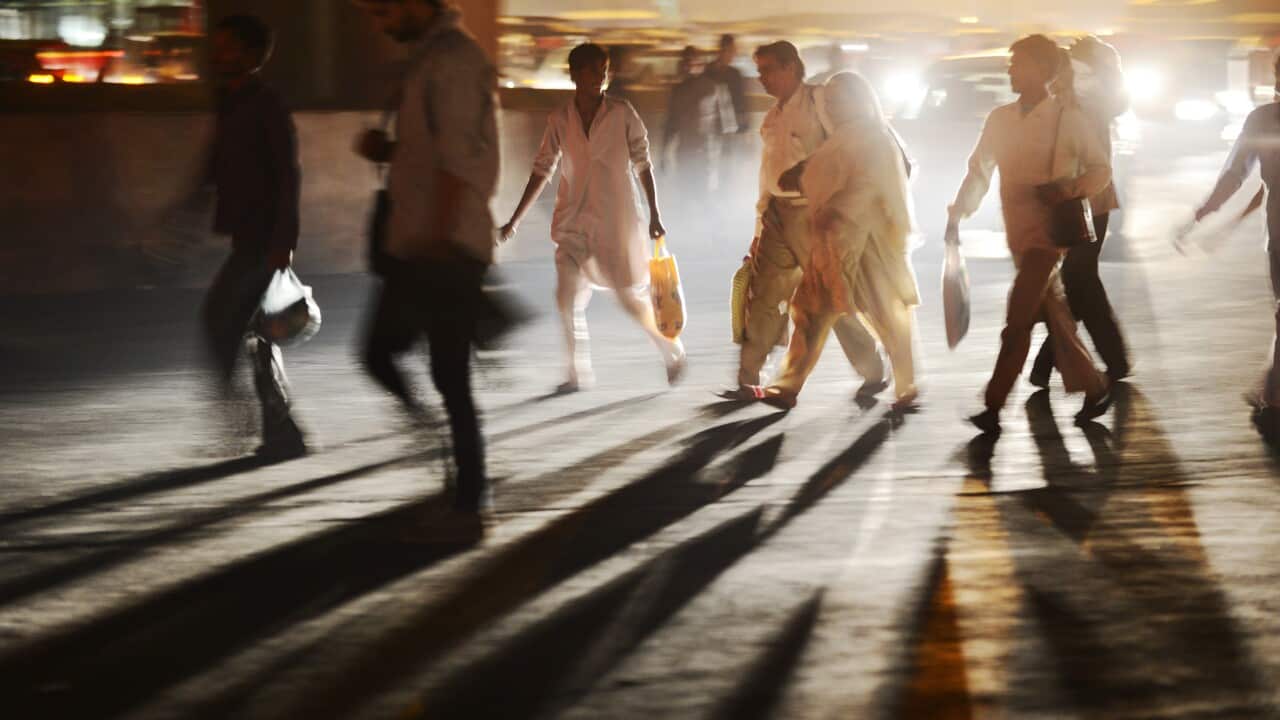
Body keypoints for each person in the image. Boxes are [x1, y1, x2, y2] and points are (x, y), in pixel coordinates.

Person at [355, 0, 499, 537]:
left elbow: (460, 162)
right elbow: (430, 151)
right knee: (412, 363)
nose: (380, 22)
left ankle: (469, 504)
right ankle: (460, 483)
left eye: (384, 10)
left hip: (443, 246)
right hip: (422, 244)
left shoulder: (453, 60)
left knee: (447, 375)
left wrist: (439, 237)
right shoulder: (429, 57)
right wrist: (388, 149)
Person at [948, 34, 1112, 434]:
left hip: (1050, 236)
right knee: (1055, 315)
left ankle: (994, 404)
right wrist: (958, 213)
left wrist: (1068, 189)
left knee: (1017, 319)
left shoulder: (1067, 118)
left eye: (1018, 63)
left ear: (1042, 70)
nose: (1010, 69)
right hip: (1018, 234)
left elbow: (1100, 170)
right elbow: (979, 170)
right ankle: (1094, 386)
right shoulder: (1000, 119)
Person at [500, 43, 686, 393]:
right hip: (572, 222)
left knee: (629, 300)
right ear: (573, 75)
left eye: (603, 73)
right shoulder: (560, 119)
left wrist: (655, 213)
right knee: (565, 298)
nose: (599, 80)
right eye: (591, 73)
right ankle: (576, 373)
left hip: (616, 222)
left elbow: (642, 164)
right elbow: (542, 170)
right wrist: (515, 220)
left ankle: (670, 351)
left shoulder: (622, 113)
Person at [731, 41, 885, 401]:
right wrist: (759, 225)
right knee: (765, 295)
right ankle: (748, 378)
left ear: (790, 68)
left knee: (830, 297)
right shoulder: (772, 118)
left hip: (816, 215)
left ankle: (872, 368)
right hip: (777, 217)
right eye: (760, 70)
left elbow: (848, 147)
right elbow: (767, 175)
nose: (762, 78)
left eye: (768, 69)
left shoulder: (821, 103)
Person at [762, 72, 920, 410]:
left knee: (889, 316)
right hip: (835, 241)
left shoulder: (875, 137)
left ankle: (906, 386)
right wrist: (801, 175)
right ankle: (787, 386)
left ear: (858, 101)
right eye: (828, 101)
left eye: (837, 100)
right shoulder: (845, 136)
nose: (830, 107)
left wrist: (837, 210)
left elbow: (864, 183)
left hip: (869, 244)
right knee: (810, 312)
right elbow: (825, 168)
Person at [201, 14, 306, 460]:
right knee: (256, 334)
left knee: (226, 321)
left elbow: (288, 174)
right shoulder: (231, 101)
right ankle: (282, 432)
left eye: (226, 47)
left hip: (265, 239)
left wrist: (284, 240)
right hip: (249, 235)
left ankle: (268, 424)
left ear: (248, 54)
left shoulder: (266, 104)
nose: (217, 54)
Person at [1186, 53, 1280, 441]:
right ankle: (1272, 392)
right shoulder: (1263, 119)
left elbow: (1236, 172)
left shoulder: (1263, 118)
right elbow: (1241, 175)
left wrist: (1206, 211)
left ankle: (1272, 395)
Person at [1029, 38, 1132, 388]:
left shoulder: (1090, 102)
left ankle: (1055, 360)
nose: (1068, 69)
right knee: (1083, 281)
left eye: (1075, 65)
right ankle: (1108, 360)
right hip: (1076, 201)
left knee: (1078, 280)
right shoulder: (1075, 99)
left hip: (1087, 201)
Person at [663, 45, 733, 195]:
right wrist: (664, 154)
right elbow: (671, 124)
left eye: (691, 62)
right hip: (685, 153)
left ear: (700, 64)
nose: (687, 66)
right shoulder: (678, 91)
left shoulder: (714, 88)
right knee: (687, 195)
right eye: (685, 62)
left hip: (705, 154)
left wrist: (725, 159)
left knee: (703, 196)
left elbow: (726, 125)